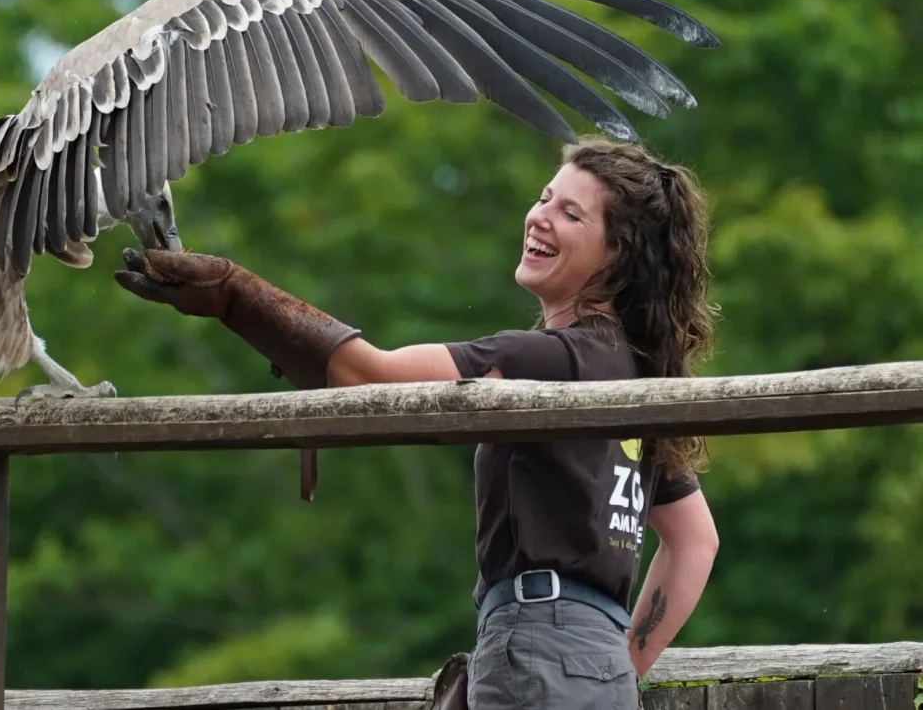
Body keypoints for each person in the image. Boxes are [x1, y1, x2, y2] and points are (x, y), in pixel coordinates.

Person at [112, 136, 722, 710]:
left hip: (538, 645)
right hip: (591, 664)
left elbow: (366, 375)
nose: (539, 217)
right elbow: (694, 540)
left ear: (616, 255)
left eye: (571, 214)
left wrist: (232, 294)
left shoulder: (549, 359)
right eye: (543, 199)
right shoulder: (634, 376)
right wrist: (614, 663)